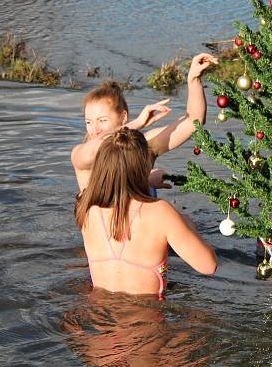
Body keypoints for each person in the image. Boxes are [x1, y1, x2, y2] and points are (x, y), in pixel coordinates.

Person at [74, 128, 217, 297]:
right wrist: (188, 225)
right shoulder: (160, 212)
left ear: (101, 165)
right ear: (143, 168)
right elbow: (208, 266)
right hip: (147, 319)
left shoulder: (85, 207)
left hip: (98, 317)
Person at [71, 53, 218, 196]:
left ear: (123, 118)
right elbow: (98, 148)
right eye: (88, 122)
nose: (94, 129)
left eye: (102, 120)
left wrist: (193, 79)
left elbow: (194, 122)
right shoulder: (80, 155)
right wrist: (138, 123)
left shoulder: (145, 145)